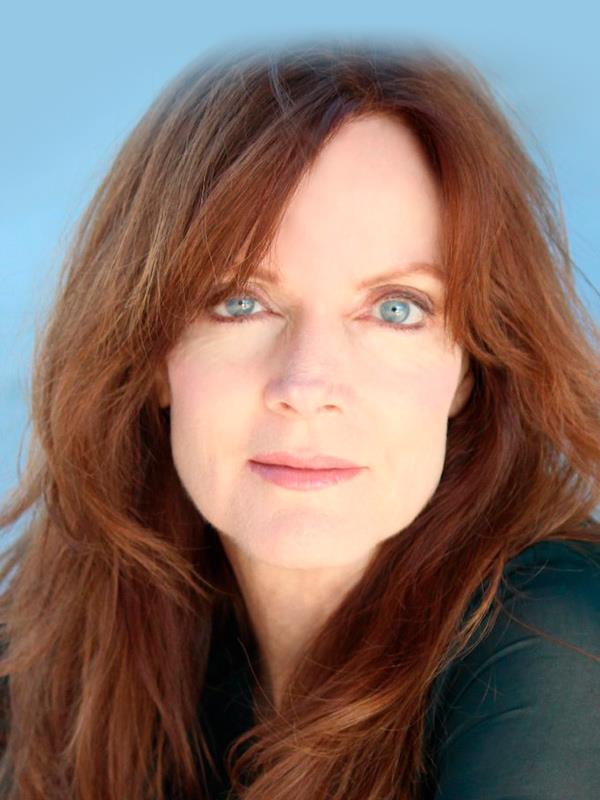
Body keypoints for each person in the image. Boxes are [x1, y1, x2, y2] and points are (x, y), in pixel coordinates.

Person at [0, 39, 599, 800]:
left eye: (396, 309)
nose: (307, 385)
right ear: (150, 354)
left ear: (470, 371)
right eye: (239, 302)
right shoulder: (73, 641)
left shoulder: (557, 639)